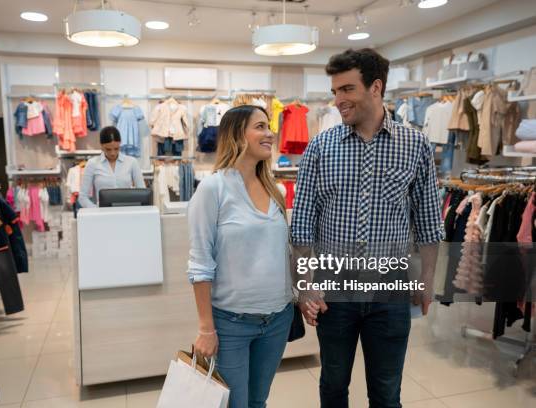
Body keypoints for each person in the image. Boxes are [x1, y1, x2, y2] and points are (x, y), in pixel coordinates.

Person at [291, 48, 442, 408]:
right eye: (334, 92)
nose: (338, 101)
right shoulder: (320, 148)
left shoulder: (415, 145)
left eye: (347, 89)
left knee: (387, 393)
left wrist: (427, 281)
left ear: (375, 87)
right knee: (332, 387)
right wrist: (303, 288)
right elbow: (301, 228)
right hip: (334, 294)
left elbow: (429, 224)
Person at [187, 105, 294, 408]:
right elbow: (200, 263)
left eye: (269, 126)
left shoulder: (276, 190)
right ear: (237, 134)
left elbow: (282, 251)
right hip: (232, 323)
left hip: (277, 318)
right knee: (236, 405)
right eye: (259, 126)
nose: (269, 134)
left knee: (258, 402)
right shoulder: (213, 188)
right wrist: (206, 329)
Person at [79, 126, 145, 208]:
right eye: (108, 149)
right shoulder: (92, 164)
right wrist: (96, 210)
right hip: (102, 215)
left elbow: (143, 194)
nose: (113, 153)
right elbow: (82, 197)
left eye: (116, 148)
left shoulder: (132, 162)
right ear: (101, 146)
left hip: (127, 213)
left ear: (120, 144)